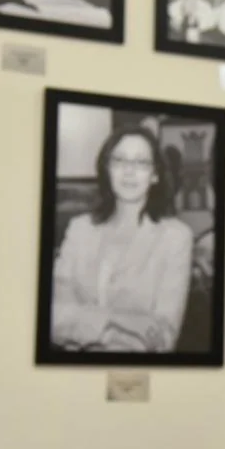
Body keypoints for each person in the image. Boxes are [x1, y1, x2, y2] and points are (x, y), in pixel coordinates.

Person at [52, 125, 194, 353]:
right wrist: (121, 320)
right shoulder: (79, 230)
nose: (129, 171)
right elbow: (53, 317)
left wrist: (87, 328)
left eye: (140, 163)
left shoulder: (176, 238)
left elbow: (163, 337)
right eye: (119, 160)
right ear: (107, 169)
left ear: (155, 175)